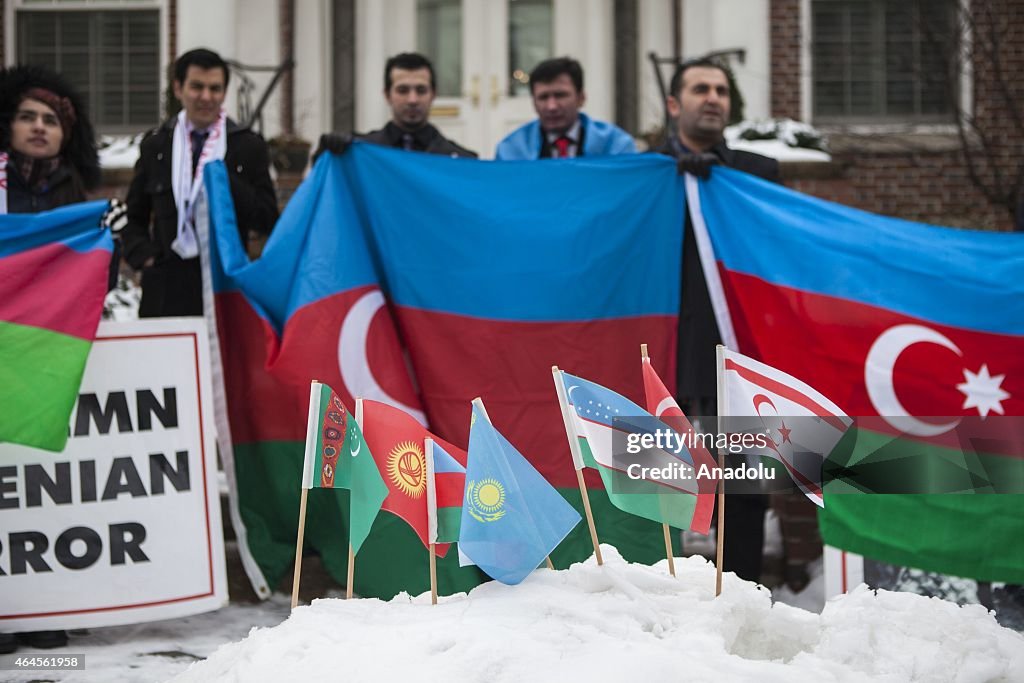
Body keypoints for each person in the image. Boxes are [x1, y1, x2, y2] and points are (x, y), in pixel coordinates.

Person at [656, 57, 781, 584]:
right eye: (700, 88)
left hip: (742, 358)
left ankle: (746, 602)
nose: (713, 98)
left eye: (721, 91)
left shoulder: (759, 175)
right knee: (658, 491)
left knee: (747, 495)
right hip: (665, 356)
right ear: (673, 104)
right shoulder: (644, 175)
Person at [0, 63, 107, 653]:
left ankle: (44, 607)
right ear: (8, 125)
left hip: (46, 361)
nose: (38, 128)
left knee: (45, 484)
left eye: (50, 120)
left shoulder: (76, 199)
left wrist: (106, 244)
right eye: (27, 117)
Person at [121, 48, 278, 318]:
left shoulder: (247, 146)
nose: (206, 97)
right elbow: (132, 216)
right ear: (178, 88)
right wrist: (145, 259)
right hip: (166, 290)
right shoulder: (157, 145)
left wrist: (223, 180)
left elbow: (267, 219)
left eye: (215, 89)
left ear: (224, 93)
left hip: (225, 289)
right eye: (197, 87)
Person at [315, 52, 476, 160]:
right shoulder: (359, 151)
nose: (412, 99)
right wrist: (325, 154)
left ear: (433, 94)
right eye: (402, 90)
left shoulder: (460, 160)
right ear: (387, 94)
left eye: (421, 90)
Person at [495, 57, 636, 160]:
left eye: (560, 95)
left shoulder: (615, 146)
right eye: (543, 97)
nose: (552, 106)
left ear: (581, 98)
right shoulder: (512, 150)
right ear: (533, 102)